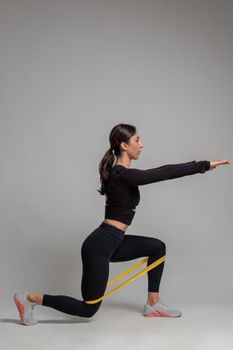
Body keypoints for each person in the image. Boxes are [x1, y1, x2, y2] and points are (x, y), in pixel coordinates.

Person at [14, 123, 230, 325]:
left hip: (114, 242)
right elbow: (165, 173)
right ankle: (29, 298)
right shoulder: (120, 174)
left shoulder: (120, 174)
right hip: (99, 246)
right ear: (124, 145)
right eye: (138, 140)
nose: (142, 144)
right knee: (88, 309)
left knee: (157, 248)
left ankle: (153, 303)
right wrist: (204, 165)